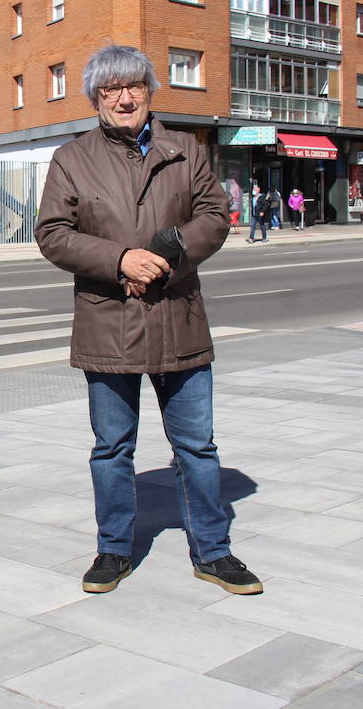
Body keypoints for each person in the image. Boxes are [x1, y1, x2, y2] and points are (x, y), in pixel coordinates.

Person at [35, 43, 262, 598]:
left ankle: (213, 550)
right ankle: (113, 549)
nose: (123, 97)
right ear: (95, 98)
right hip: (107, 322)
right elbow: (53, 233)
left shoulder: (185, 149)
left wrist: (165, 254)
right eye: (110, 89)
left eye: (133, 85)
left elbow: (214, 215)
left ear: (149, 90)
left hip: (178, 317)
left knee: (197, 447)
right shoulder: (73, 157)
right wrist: (119, 261)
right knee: (112, 447)